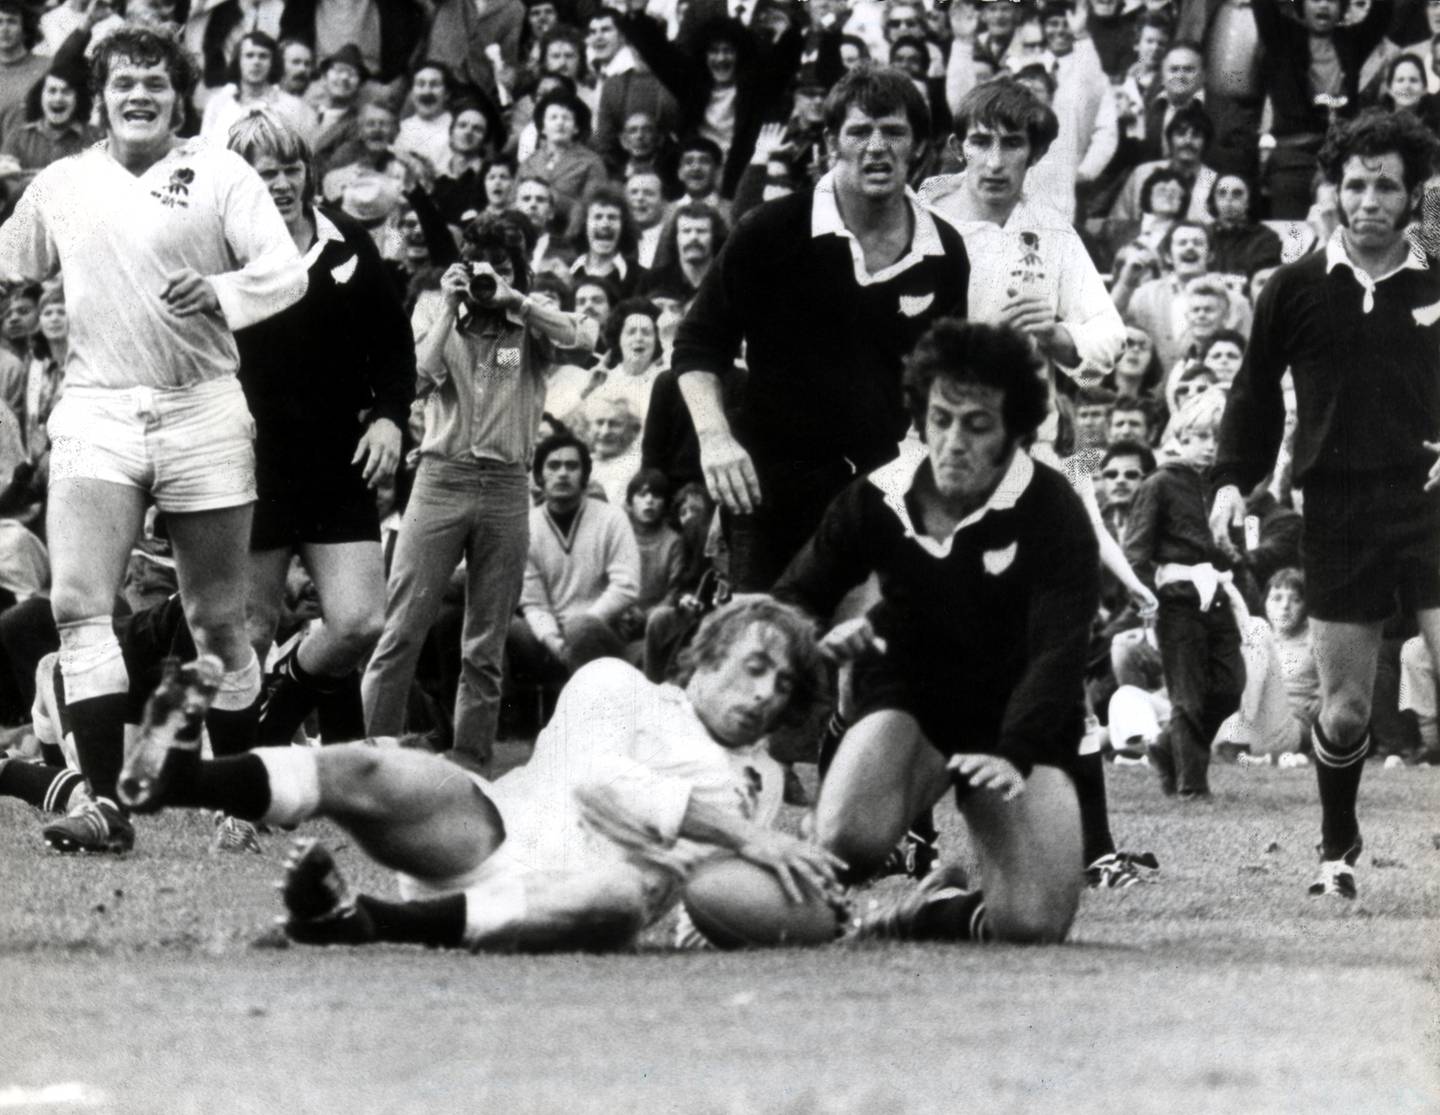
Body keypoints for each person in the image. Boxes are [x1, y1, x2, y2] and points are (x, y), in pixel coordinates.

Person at [116, 597, 838, 952]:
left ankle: (367, 923)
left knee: (623, 890)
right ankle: (182, 779)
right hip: (490, 837)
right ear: (703, 657)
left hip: (584, 902)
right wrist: (748, 837)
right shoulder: (617, 682)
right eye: (754, 667)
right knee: (383, 767)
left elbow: (712, 896)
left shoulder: (764, 783)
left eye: (782, 685)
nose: (765, 693)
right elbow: (599, 783)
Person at [0, 27, 308, 854]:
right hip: (97, 408)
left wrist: (218, 290)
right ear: (99, 97)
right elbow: (13, 259)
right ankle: (106, 806)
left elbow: (286, 270)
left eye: (157, 83)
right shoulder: (64, 182)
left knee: (216, 622)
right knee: (75, 606)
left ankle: (243, 803)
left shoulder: (220, 171)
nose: (139, 95)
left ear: (182, 95)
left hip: (201, 408)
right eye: (125, 82)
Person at [774, 319, 1098, 942]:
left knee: (1032, 925)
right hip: (912, 703)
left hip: (1013, 720)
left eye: (977, 426)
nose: (953, 441)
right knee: (847, 841)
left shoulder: (1053, 508)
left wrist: (1015, 750)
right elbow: (792, 597)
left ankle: (931, 912)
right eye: (941, 418)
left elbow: (1059, 650)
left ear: (1015, 436)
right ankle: (781, 891)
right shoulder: (878, 496)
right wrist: (816, 640)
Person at [1210, 109, 1440, 898]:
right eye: (1355, 185)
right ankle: (1338, 846)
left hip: (1432, 501)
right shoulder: (1297, 285)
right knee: (1342, 712)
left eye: (1386, 186)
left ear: (1413, 197)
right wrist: (1231, 478)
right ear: (1334, 193)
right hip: (1339, 510)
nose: (1369, 199)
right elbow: (1252, 395)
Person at [672, 64, 970, 592]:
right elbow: (698, 344)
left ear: (920, 146)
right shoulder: (769, 230)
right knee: (764, 649)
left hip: (877, 488)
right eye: (859, 131)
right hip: (768, 486)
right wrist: (716, 440)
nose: (876, 147)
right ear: (833, 142)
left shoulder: (944, 252)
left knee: (860, 653)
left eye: (894, 131)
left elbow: (943, 381)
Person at [363, 213, 598, 771]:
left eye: (504, 269)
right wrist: (447, 307)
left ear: (519, 272)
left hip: (508, 485)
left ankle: (471, 759)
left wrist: (518, 299)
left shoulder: (526, 331)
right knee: (402, 627)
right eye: (481, 271)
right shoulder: (445, 324)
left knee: (486, 640)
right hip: (443, 476)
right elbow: (414, 380)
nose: (489, 281)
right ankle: (371, 759)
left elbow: (584, 339)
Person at [225, 110, 413, 805]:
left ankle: (279, 702)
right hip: (249, 465)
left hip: (338, 459)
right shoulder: (218, 248)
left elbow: (394, 348)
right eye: (258, 171)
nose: (275, 183)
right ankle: (244, 790)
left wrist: (391, 417)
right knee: (247, 627)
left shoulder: (347, 243)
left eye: (287, 168)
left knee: (360, 621)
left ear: (307, 170)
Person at [1123, 389, 1244, 800]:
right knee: (1187, 696)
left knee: (1230, 686)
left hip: (1217, 597)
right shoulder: (1160, 483)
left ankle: (1163, 747)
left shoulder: (1223, 488)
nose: (1211, 446)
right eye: (1202, 436)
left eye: (1218, 437)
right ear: (1182, 435)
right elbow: (1135, 549)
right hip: (1176, 600)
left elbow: (1231, 548)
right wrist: (1143, 607)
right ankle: (1192, 785)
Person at [509, 431, 641, 686]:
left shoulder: (611, 518)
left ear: (584, 475)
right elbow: (533, 603)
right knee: (513, 630)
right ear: (538, 476)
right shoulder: (525, 527)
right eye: (553, 466)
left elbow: (626, 586)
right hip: (552, 639)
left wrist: (581, 626)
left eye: (572, 466)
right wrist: (557, 644)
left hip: (603, 630)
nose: (562, 473)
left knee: (580, 629)